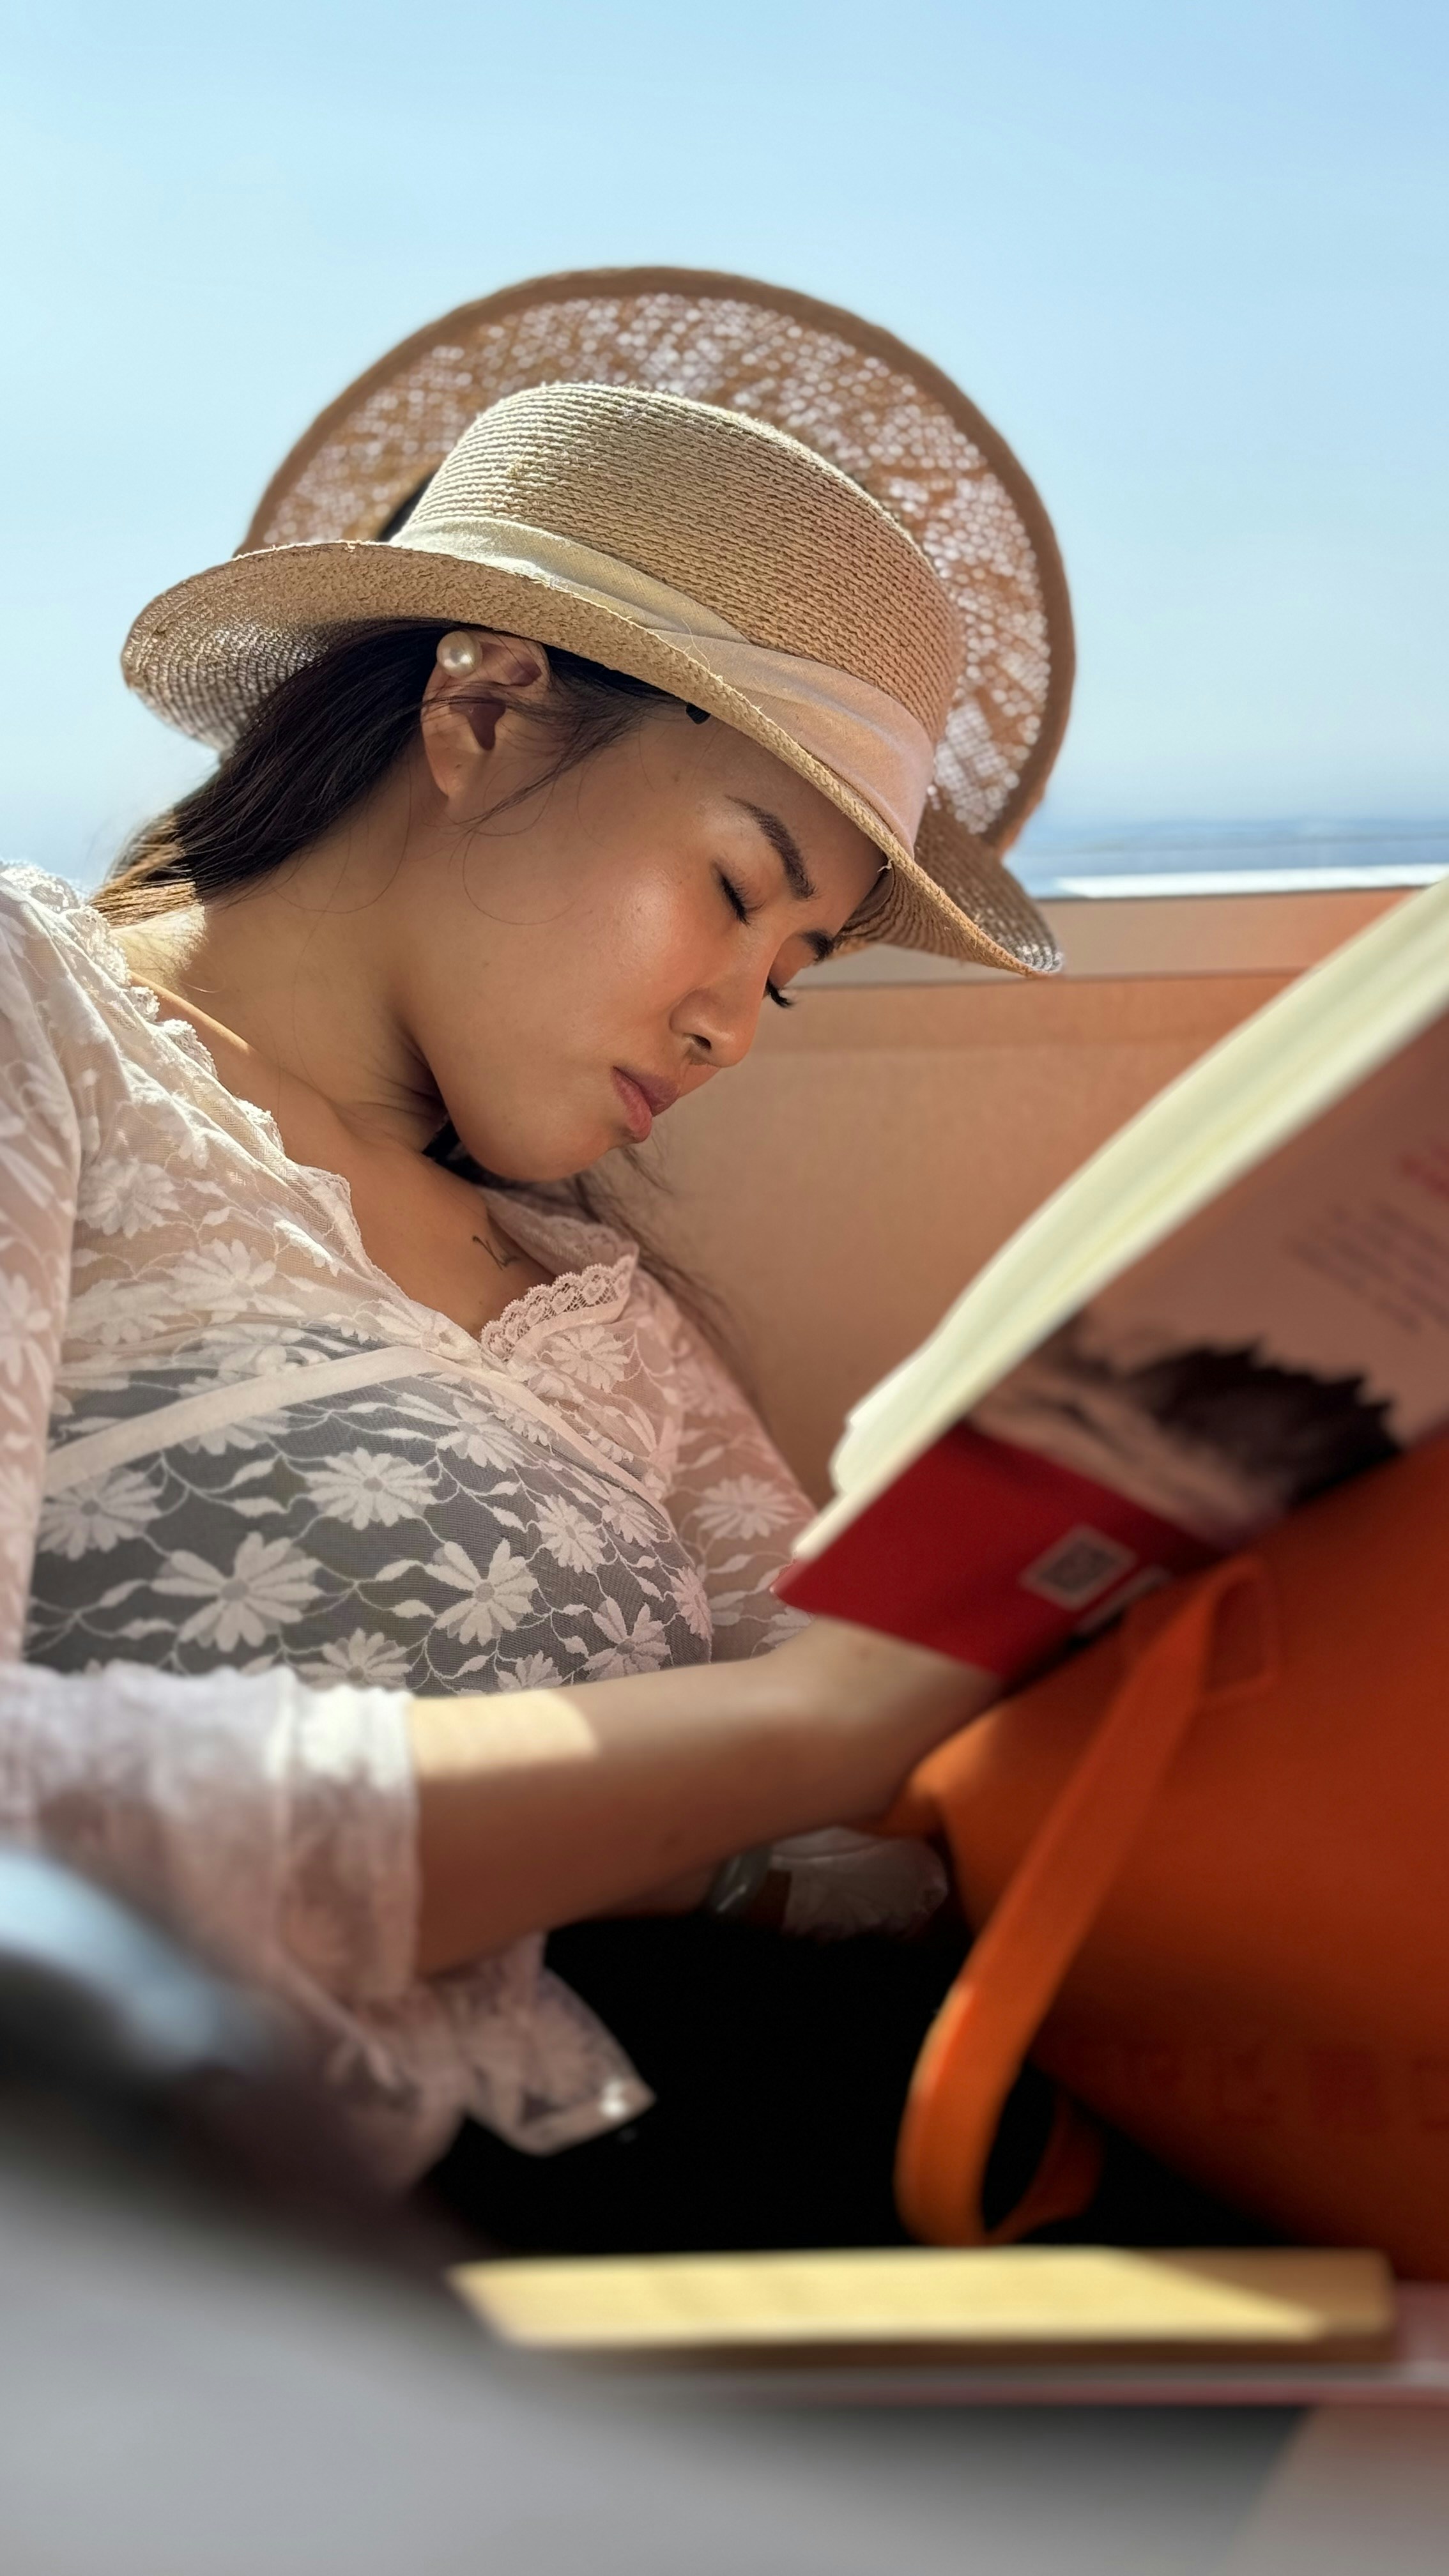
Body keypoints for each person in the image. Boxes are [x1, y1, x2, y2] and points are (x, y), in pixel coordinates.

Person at [1, 272, 1077, 2243]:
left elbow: (876, 1816)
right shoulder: (35, 1021)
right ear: (483, 710)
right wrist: (776, 1758)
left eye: (792, 971)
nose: (733, 1024)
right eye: (735, 890)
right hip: (282, 2213)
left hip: (752, 2139)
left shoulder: (613, 1325)